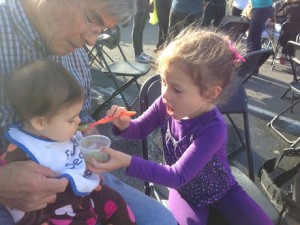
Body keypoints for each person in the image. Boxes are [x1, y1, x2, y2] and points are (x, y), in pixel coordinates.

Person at [0, 0, 177, 224]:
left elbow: (82, 120)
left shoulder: (75, 54)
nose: (92, 40)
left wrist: (89, 133)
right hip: (8, 190)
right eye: (93, 22)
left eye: (101, 31)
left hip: (73, 170)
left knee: (160, 220)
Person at [86, 27, 274, 225]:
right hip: (184, 193)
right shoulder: (165, 103)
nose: (165, 93)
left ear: (211, 93)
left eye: (177, 88)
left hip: (222, 191)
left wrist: (126, 161)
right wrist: (124, 124)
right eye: (164, 81)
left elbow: (178, 175)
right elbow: (139, 130)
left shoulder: (213, 128)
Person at [2, 60, 136, 225]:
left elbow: (75, 157)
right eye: (71, 119)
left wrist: (91, 162)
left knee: (116, 201)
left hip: (87, 194)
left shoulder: (60, 132)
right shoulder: (21, 150)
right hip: (57, 209)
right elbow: (20, 203)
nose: (79, 120)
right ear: (40, 123)